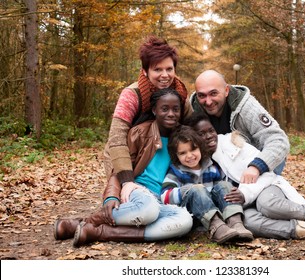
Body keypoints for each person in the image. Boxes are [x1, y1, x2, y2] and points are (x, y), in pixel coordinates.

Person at [185, 113, 305, 244]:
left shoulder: (234, 144)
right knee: (249, 223)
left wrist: (244, 194)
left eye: (210, 131)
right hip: (243, 206)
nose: (208, 136)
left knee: (267, 205)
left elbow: (267, 174)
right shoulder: (197, 162)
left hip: (266, 187)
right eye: (201, 134)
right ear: (193, 138)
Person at [54, 88, 193, 247]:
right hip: (137, 193)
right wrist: (111, 196)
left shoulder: (183, 137)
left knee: (185, 220)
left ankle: (95, 232)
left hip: (162, 199)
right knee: (149, 210)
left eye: (176, 109)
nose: (171, 114)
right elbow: (119, 169)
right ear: (154, 110)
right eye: (165, 109)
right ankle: (88, 221)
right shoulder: (140, 133)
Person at [104, 35, 191, 197]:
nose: (165, 75)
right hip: (127, 155)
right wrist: (126, 180)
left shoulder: (181, 97)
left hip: (161, 158)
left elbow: (192, 129)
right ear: (145, 71)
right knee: (121, 200)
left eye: (169, 69)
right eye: (157, 69)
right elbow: (116, 139)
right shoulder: (131, 95)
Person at [161, 125, 253, 244]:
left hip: (218, 213)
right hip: (194, 216)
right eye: (183, 153)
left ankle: (235, 222)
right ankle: (216, 227)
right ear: (176, 156)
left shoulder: (211, 168)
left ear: (200, 148)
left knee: (224, 185)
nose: (189, 155)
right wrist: (187, 190)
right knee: (197, 190)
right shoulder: (176, 171)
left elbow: (220, 192)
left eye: (193, 149)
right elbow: (165, 196)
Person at [190, 69, 289, 179]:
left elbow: (278, 140)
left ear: (226, 90)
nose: (208, 102)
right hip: (222, 168)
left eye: (213, 93)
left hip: (256, 163)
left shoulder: (246, 107)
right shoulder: (193, 112)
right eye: (202, 96)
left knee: (261, 193)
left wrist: (256, 166)